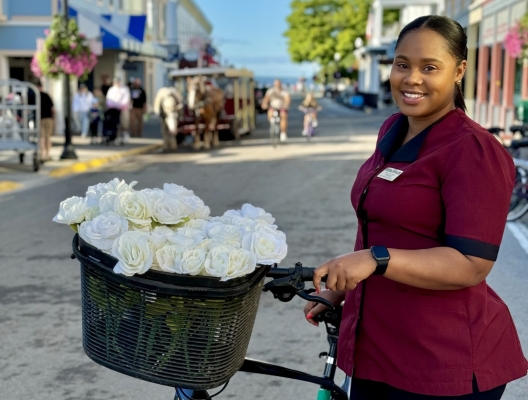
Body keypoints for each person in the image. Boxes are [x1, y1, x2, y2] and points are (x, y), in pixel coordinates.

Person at [304, 15, 527, 400]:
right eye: (402, 64)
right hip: (377, 346)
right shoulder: (392, 128)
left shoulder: (472, 150)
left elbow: (471, 263)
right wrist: (345, 285)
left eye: (430, 68)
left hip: (442, 360)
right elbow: (386, 224)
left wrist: (375, 259)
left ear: (459, 71)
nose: (411, 79)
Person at [106, 77, 131, 143]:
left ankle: (125, 133)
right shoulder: (111, 89)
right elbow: (109, 99)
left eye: (118, 82)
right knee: (115, 123)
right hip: (114, 109)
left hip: (123, 108)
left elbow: (126, 98)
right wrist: (112, 105)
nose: (117, 83)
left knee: (124, 122)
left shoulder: (125, 89)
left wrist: (121, 105)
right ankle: (116, 135)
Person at [36, 81, 55, 162]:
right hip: (48, 118)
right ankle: (47, 155)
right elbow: (53, 109)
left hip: (40, 119)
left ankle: (42, 155)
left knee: (41, 137)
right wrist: (54, 119)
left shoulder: (35, 96)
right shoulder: (47, 95)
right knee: (48, 137)